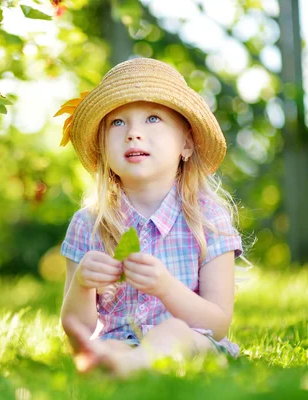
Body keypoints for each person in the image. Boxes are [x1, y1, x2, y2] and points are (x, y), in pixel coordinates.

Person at [54, 57, 243, 378]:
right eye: (117, 122)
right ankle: (116, 363)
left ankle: (130, 367)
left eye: (153, 118)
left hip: (192, 341)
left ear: (186, 143)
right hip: (121, 339)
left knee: (172, 332)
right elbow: (77, 330)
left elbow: (218, 323)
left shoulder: (208, 218)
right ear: (102, 146)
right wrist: (83, 284)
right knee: (106, 345)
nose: (133, 133)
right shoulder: (88, 224)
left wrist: (166, 287)